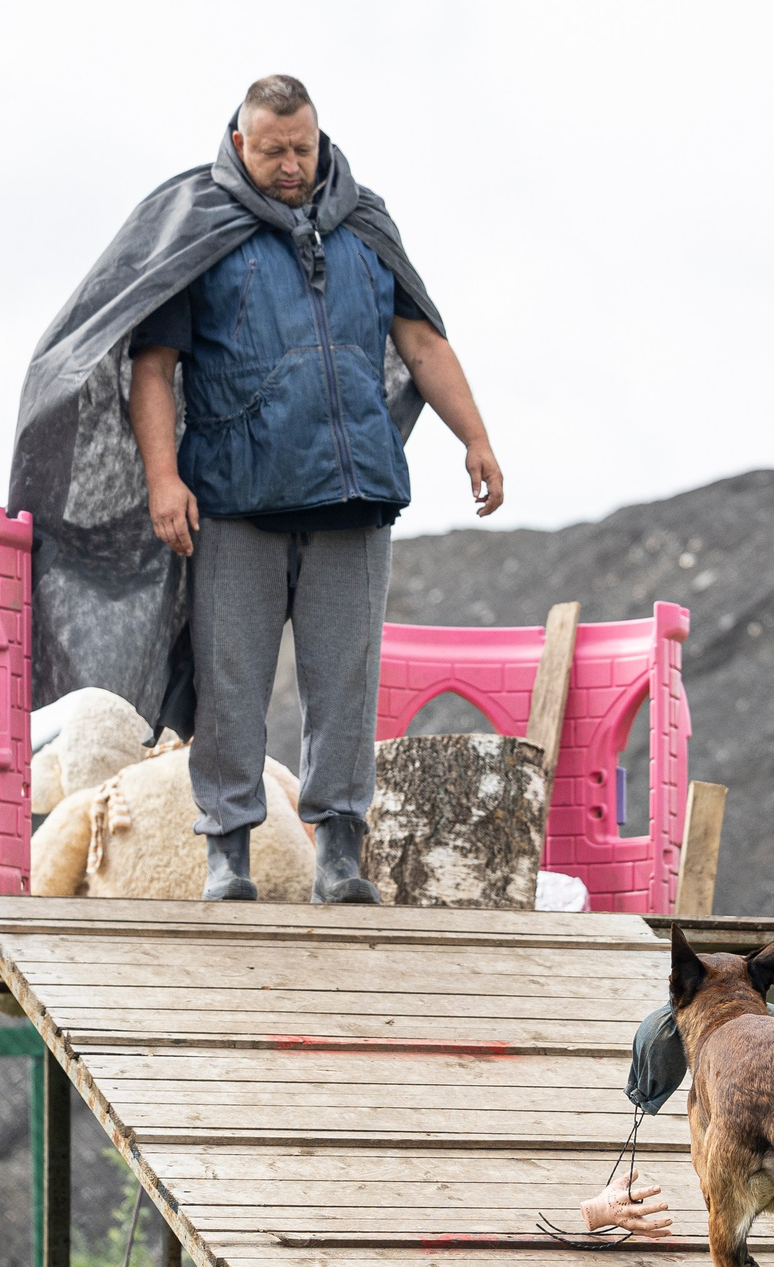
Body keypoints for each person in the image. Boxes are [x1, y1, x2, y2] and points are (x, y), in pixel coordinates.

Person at [129, 75, 503, 904]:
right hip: (234, 500)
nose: (290, 165)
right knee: (230, 683)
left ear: (320, 138)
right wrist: (164, 478)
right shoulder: (201, 227)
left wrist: (474, 438)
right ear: (238, 144)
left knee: (346, 684)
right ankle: (229, 853)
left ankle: (339, 854)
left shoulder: (365, 222)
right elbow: (152, 366)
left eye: (302, 148)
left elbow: (421, 338)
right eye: (272, 151)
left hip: (353, 495)